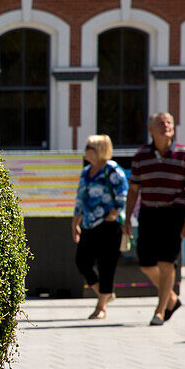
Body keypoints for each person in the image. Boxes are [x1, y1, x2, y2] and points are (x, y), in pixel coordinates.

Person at [123, 112, 185, 326]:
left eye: (169, 122)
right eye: (160, 123)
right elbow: (133, 189)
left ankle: (160, 310)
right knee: (146, 263)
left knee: (167, 263)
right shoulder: (141, 156)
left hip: (173, 212)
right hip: (148, 212)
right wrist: (127, 219)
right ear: (151, 129)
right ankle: (172, 299)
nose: (166, 126)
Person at [72, 134, 128, 320]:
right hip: (89, 224)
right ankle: (104, 293)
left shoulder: (112, 170)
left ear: (99, 150)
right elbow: (81, 198)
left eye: (89, 147)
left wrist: (114, 213)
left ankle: (101, 306)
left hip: (109, 226)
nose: (85, 150)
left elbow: (123, 193)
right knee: (82, 261)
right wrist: (75, 221)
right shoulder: (86, 172)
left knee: (106, 266)